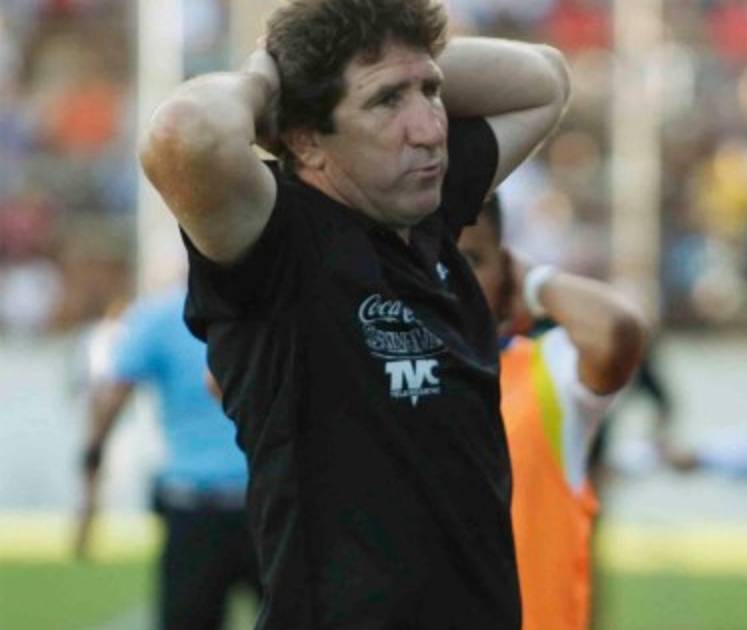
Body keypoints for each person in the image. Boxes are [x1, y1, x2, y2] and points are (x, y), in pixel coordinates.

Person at [138, 0, 572, 626]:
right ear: (307, 141)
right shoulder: (279, 241)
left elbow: (545, 79)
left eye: (431, 92)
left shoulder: (425, 208)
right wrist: (271, 79)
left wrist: (388, 60)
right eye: (388, 102)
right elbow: (183, 134)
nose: (430, 129)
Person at [457, 196, 646, 630]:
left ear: (506, 268)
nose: (450, 278)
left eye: (470, 260)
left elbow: (616, 332)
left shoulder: (547, 369)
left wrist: (535, 284)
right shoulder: (369, 375)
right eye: (432, 258)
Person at [75, 287, 258, 630]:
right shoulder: (277, 306)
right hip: (267, 503)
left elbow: (108, 404)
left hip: (198, 509)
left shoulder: (160, 317)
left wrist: (89, 496)